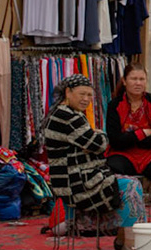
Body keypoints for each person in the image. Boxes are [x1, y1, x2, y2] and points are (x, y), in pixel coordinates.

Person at [42, 75, 124, 225]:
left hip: (73, 178)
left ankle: (122, 234)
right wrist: (101, 135)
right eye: (82, 94)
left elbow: (90, 143)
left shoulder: (66, 113)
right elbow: (98, 145)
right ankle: (124, 236)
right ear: (68, 92)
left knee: (124, 180)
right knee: (129, 186)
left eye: (89, 95)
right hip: (73, 184)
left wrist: (94, 139)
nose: (86, 99)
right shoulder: (67, 116)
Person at [105, 64, 151, 217]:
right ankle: (116, 220)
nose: (138, 83)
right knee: (110, 171)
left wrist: (130, 138)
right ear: (125, 81)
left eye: (141, 79)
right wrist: (143, 133)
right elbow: (115, 140)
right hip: (123, 155)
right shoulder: (114, 105)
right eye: (133, 79)